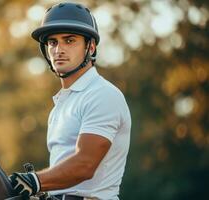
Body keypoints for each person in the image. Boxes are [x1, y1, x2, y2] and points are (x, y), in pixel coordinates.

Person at [9, 2, 131, 200]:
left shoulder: (103, 95)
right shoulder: (62, 104)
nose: (58, 50)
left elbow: (85, 164)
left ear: (90, 46)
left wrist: (35, 181)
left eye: (69, 40)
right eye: (52, 42)